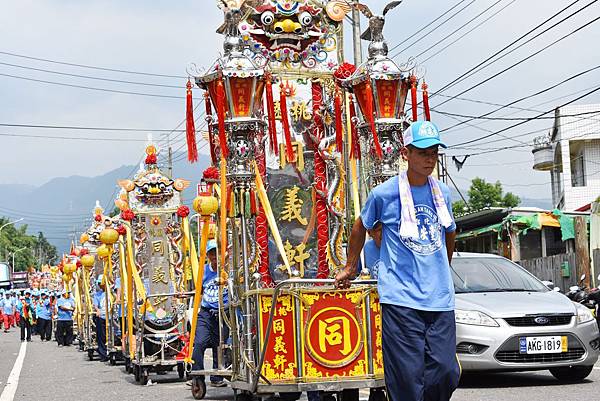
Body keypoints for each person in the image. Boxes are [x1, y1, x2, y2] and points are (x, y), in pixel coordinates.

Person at [335, 121, 460, 401]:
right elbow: (360, 226)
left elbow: (450, 232)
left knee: (446, 371)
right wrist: (350, 266)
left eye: (435, 152)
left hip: (439, 300)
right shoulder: (385, 194)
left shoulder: (443, 193)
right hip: (401, 300)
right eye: (423, 151)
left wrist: (443, 269)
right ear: (405, 153)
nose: (430, 158)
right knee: (406, 378)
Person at [190, 240, 229, 388]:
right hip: (206, 313)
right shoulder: (203, 271)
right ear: (207, 255)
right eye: (211, 253)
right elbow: (199, 291)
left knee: (219, 345)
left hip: (224, 313)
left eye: (217, 252)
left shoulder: (228, 270)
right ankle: (197, 375)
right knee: (199, 343)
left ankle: (216, 377)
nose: (214, 256)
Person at [93, 275, 108, 361]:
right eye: (99, 283)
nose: (101, 285)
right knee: (101, 336)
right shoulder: (97, 295)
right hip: (101, 316)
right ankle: (103, 354)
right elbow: (96, 305)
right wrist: (97, 310)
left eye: (102, 283)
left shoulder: (112, 292)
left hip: (112, 317)